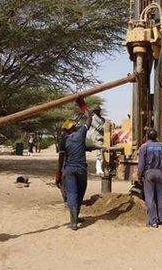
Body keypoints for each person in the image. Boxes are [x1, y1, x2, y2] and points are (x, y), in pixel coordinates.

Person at [56, 98, 93, 230]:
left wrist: (58, 174)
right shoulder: (80, 134)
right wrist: (82, 105)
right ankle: (75, 217)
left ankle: (74, 221)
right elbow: (89, 118)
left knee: (72, 193)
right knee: (80, 193)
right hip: (81, 170)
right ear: (74, 128)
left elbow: (61, 159)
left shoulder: (63, 141)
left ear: (66, 130)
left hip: (69, 170)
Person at [137, 129, 162, 228]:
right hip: (160, 173)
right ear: (156, 136)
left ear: (147, 137)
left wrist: (139, 175)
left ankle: (153, 222)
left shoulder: (143, 147)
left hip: (148, 174)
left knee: (150, 198)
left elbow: (141, 163)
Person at [87, 105, 105, 176]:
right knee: (99, 154)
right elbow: (99, 128)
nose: (98, 111)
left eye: (99, 110)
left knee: (103, 153)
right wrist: (107, 126)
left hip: (102, 137)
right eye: (97, 110)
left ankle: (101, 169)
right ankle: (98, 170)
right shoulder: (93, 118)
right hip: (96, 137)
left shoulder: (102, 119)